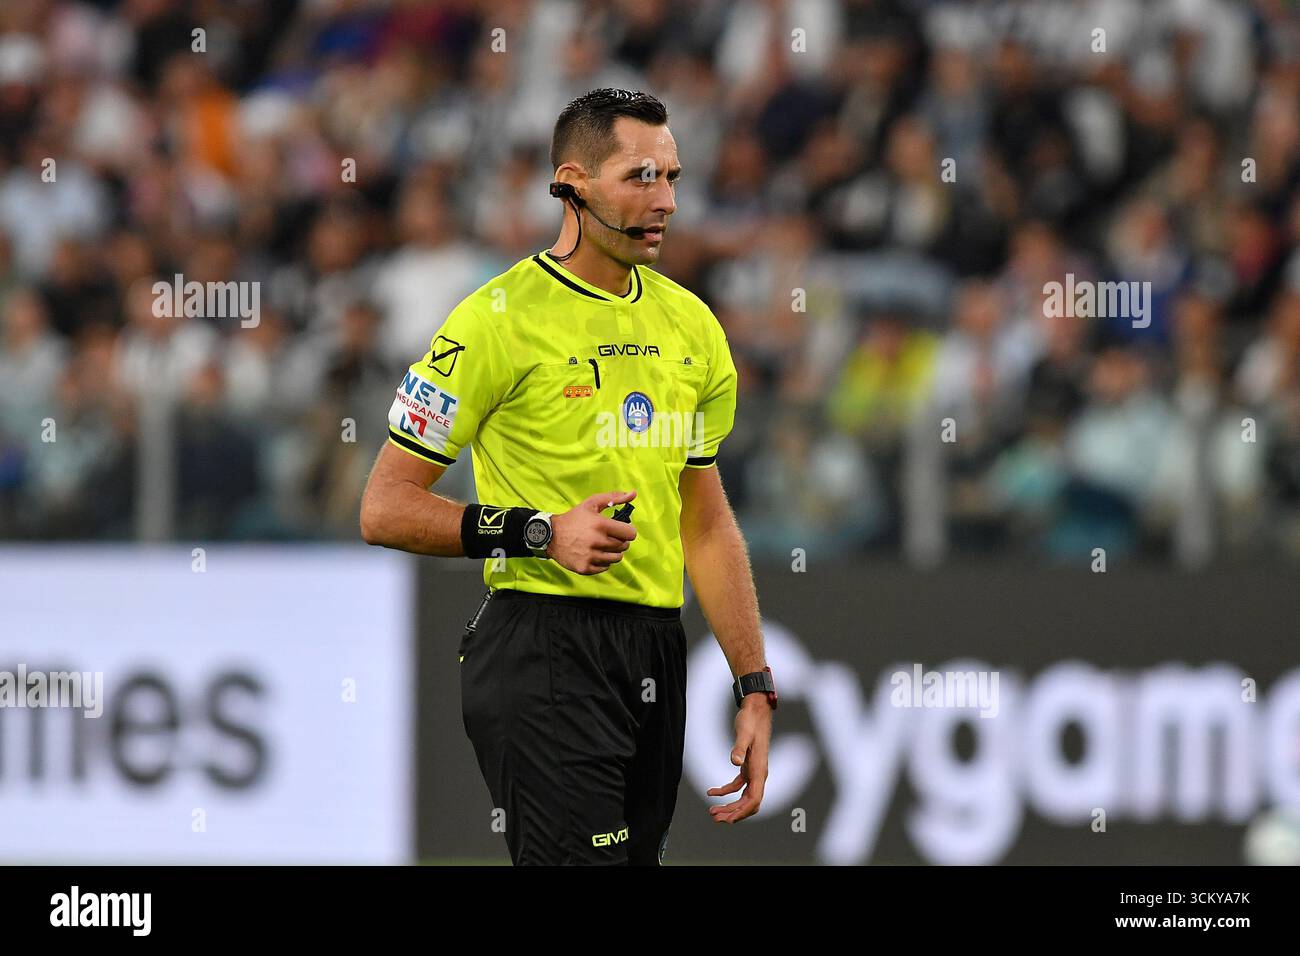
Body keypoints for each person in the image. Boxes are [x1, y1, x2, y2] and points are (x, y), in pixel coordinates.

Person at [359, 89, 776, 865]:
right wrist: (540, 532)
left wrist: (753, 683)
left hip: (654, 650)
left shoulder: (694, 328)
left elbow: (704, 523)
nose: (667, 202)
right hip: (541, 646)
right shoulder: (494, 321)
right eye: (640, 178)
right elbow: (384, 508)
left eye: (673, 178)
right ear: (573, 184)